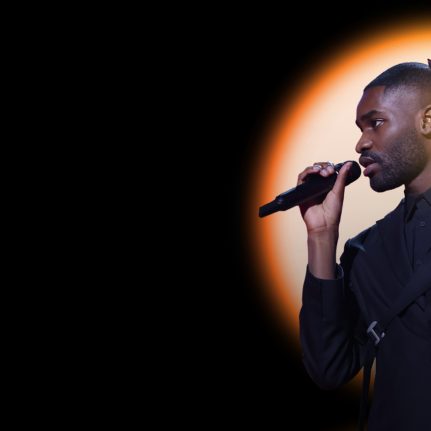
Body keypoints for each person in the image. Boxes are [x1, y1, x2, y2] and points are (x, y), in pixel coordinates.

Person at [297, 61, 431, 431]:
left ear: (427, 120)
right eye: (360, 128)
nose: (361, 144)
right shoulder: (366, 251)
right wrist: (321, 237)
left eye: (376, 122)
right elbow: (329, 368)